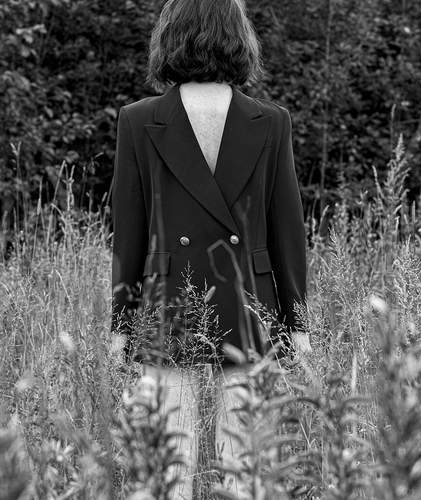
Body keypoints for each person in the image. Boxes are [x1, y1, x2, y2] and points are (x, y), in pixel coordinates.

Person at [111, 0, 307, 497]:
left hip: (169, 300)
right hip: (247, 300)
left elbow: (128, 233)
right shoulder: (268, 119)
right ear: (239, 36)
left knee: (167, 469)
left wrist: (121, 324)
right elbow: (287, 230)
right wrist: (297, 324)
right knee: (246, 469)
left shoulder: (140, 118)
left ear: (170, 35)